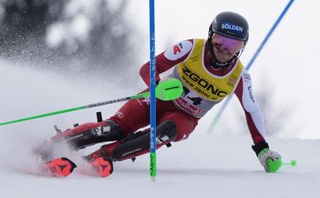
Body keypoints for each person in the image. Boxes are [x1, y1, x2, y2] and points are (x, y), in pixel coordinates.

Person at [35, 11, 282, 177]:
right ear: (210, 36)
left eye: (233, 45)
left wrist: (262, 149)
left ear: (242, 47)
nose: (224, 50)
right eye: (219, 41)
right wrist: (156, 84)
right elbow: (148, 67)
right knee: (115, 128)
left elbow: (252, 110)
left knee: (163, 133)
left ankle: (101, 157)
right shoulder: (191, 48)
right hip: (158, 97)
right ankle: (51, 146)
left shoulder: (239, 76)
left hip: (184, 118)